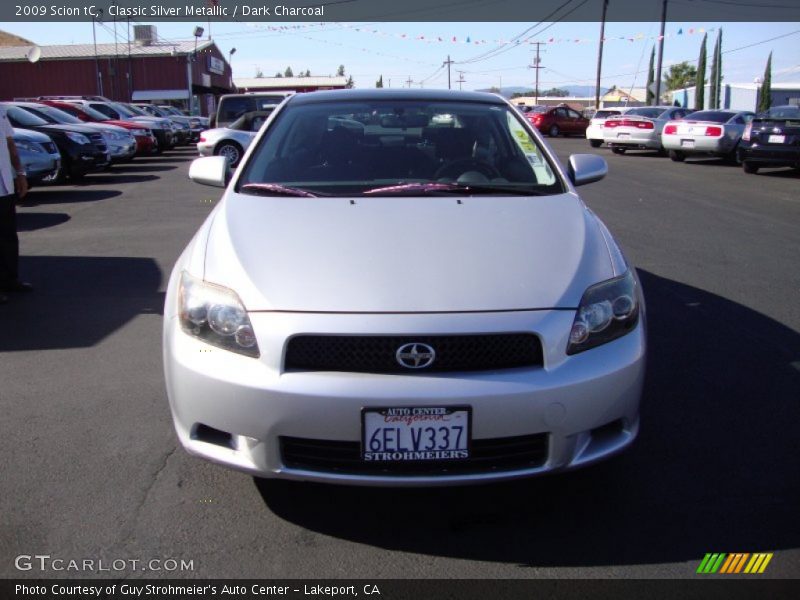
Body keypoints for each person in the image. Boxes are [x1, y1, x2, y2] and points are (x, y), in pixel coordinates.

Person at [0, 105, 32, 304]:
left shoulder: (0, 110)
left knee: (8, 236)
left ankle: (10, 280)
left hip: (4, 185)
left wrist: (20, 173)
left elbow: (10, 143)